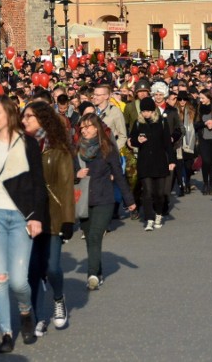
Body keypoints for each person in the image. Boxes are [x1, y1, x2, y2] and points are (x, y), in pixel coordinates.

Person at [0, 96, 47, 353]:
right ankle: (6, 332)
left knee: (18, 281)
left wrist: (37, 216)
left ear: (8, 112)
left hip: (20, 217)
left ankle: (26, 312)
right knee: (0, 277)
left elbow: (39, 183)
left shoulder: (28, 142)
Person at [21, 101, 75, 334]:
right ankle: (38, 315)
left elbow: (65, 185)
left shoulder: (57, 148)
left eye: (30, 117)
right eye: (23, 117)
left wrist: (68, 220)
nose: (24, 121)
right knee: (33, 269)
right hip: (30, 215)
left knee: (52, 267)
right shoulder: (19, 146)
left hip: (53, 215)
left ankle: (59, 299)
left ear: (42, 120)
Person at [75, 113, 135, 286]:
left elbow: (118, 175)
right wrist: (75, 174)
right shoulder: (76, 149)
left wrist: (129, 201)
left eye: (88, 126)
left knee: (95, 235)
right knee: (89, 237)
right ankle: (98, 271)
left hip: (104, 198)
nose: (84, 130)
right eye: (82, 127)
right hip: (83, 199)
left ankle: (92, 275)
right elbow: (67, 173)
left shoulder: (107, 149)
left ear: (97, 128)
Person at [129, 99, 175, 231]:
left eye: (148, 111)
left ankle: (159, 214)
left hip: (159, 161)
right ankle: (149, 218)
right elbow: (132, 140)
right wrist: (137, 140)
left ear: (153, 111)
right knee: (147, 192)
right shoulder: (138, 123)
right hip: (144, 162)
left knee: (159, 193)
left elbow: (167, 143)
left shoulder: (161, 122)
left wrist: (171, 161)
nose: (146, 114)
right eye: (143, 111)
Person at [194, 91, 212, 195]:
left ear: (208, 98)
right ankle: (205, 183)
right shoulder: (199, 108)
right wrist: (204, 123)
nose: (200, 100)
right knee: (206, 161)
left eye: (202, 98)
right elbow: (195, 124)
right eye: (200, 98)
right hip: (203, 138)